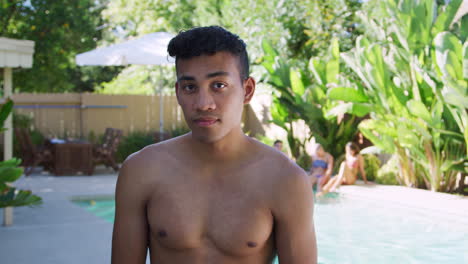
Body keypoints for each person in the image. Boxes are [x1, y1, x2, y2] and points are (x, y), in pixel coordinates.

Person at [111, 26, 317, 264]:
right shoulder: (142, 171)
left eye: (218, 85)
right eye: (190, 87)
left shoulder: (285, 181)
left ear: (247, 90)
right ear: (178, 93)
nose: (203, 103)